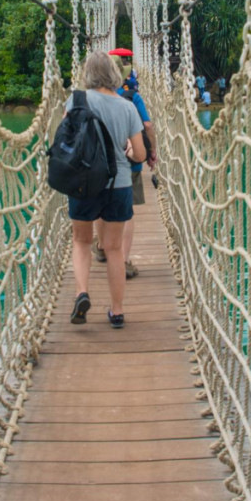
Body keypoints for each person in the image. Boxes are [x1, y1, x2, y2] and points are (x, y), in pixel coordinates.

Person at [66, 51, 146, 329]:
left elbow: (68, 141)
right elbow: (140, 154)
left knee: (81, 242)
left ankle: (81, 293)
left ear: (86, 73)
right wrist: (128, 150)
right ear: (114, 74)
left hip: (83, 183)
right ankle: (117, 311)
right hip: (118, 184)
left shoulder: (76, 100)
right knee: (113, 249)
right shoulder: (127, 107)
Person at [95, 69, 156, 281]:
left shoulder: (93, 97)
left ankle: (102, 247)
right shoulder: (132, 98)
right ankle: (123, 261)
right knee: (126, 211)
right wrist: (151, 153)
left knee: (101, 206)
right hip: (129, 165)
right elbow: (147, 125)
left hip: (99, 165)